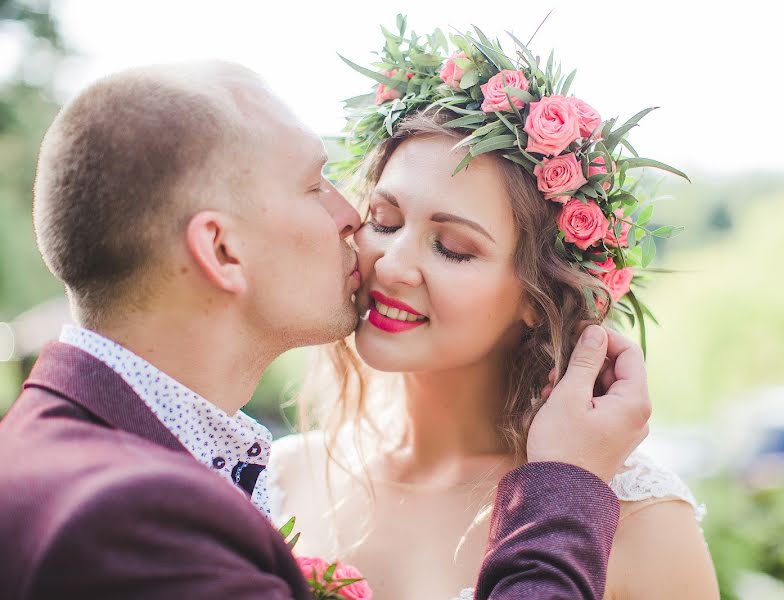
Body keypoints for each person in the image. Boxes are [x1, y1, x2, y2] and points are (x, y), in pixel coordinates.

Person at [0, 60, 649, 600]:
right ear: (222, 251)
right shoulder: (129, 517)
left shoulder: (64, 459)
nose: (352, 219)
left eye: (450, 244)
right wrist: (565, 488)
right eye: (315, 186)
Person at [269, 25, 719, 600]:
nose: (392, 265)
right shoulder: (281, 478)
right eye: (384, 221)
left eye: (453, 247)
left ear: (536, 299)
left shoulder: (634, 520)